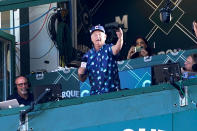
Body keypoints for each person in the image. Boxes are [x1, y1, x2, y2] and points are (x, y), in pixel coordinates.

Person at [78, 25, 123, 95]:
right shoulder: (87, 56)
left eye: (100, 34)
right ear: (91, 38)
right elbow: (82, 79)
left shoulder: (109, 48)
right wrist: (81, 73)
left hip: (112, 93)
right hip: (95, 96)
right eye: (95, 35)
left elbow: (116, 49)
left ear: (105, 37)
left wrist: (120, 38)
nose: (97, 37)